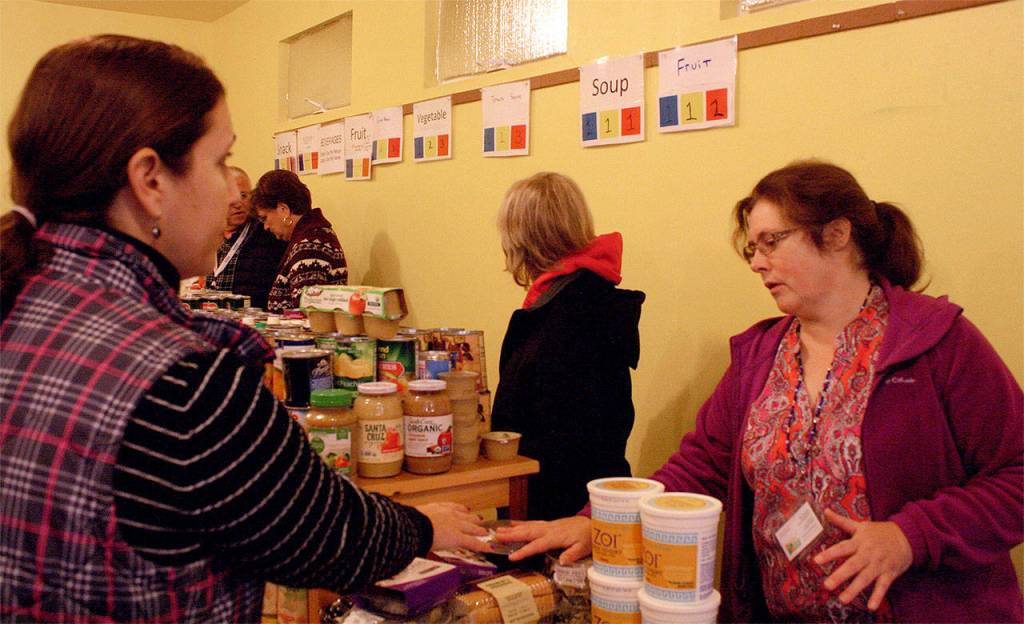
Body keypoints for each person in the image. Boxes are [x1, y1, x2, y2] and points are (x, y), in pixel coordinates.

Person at [0, 35, 486, 622]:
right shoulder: (182, 379)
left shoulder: (22, 303)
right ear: (150, 181)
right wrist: (423, 524)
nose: (235, 187)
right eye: (222, 160)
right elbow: (322, 530)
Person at [497, 161, 1023, 622]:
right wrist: (600, 524)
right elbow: (700, 465)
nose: (756, 262)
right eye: (752, 248)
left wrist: (912, 536)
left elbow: (1017, 474)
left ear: (837, 235)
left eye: (772, 242)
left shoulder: (936, 342)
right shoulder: (760, 356)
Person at [491, 172, 645, 520]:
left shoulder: (564, 318)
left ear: (521, 240)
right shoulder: (592, 299)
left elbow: (559, 440)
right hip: (597, 500)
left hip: (560, 512)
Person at [251, 169, 347, 313]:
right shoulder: (313, 237)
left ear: (283, 210)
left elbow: (308, 313)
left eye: (265, 218)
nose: (265, 226)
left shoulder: (309, 249)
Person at [204, 166, 287, 309]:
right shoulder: (208, 235)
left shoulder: (268, 234)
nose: (238, 204)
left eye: (243, 195)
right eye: (230, 196)